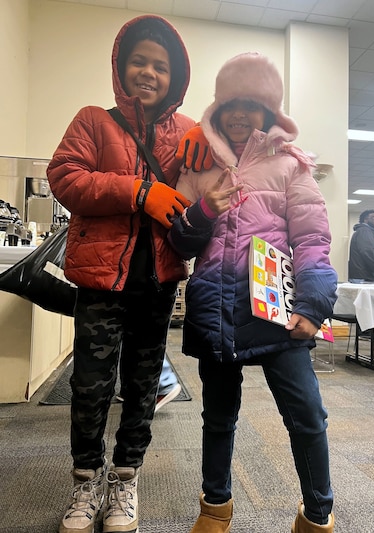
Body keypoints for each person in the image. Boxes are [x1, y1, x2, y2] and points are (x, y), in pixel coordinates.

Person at [168, 52, 337, 532]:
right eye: (230, 104)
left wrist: (312, 304)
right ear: (217, 109)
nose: (239, 114)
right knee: (217, 417)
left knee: (306, 413)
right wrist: (202, 210)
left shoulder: (291, 166)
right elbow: (179, 241)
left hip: (279, 311)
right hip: (215, 309)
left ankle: (317, 515)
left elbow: (311, 240)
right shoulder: (198, 164)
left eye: (251, 104)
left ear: (268, 112)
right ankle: (215, 508)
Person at [47, 14, 197, 533]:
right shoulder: (93, 120)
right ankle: (87, 481)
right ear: (121, 66)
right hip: (99, 282)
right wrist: (138, 192)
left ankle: (126, 479)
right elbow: (65, 176)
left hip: (158, 283)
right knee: (89, 386)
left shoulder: (186, 134)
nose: (149, 73)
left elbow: (206, 187)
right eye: (139, 61)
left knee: (142, 386)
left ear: (174, 77)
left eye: (160, 66)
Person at [348, 209, 374, 282]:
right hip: (363, 277)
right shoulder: (364, 231)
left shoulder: (366, 231)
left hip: (361, 276)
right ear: (366, 219)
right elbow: (368, 252)